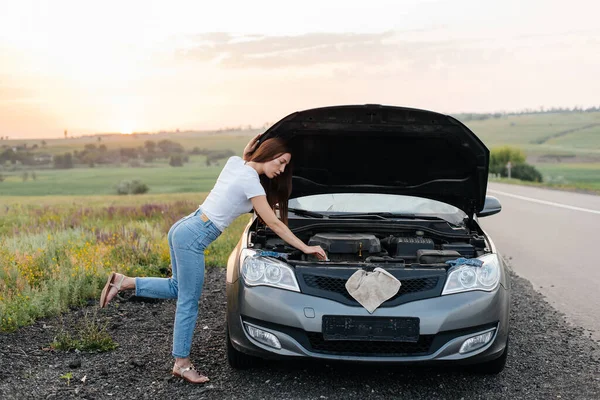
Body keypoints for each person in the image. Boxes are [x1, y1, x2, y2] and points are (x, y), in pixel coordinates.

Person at [99, 134, 327, 384]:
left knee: (177, 287)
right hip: (194, 236)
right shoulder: (251, 180)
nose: (282, 169)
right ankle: (182, 364)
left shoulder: (235, 164)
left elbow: (244, 162)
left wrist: (248, 153)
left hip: (184, 227)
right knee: (188, 302)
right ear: (269, 153)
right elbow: (272, 222)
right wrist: (305, 247)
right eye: (281, 162)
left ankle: (123, 282)